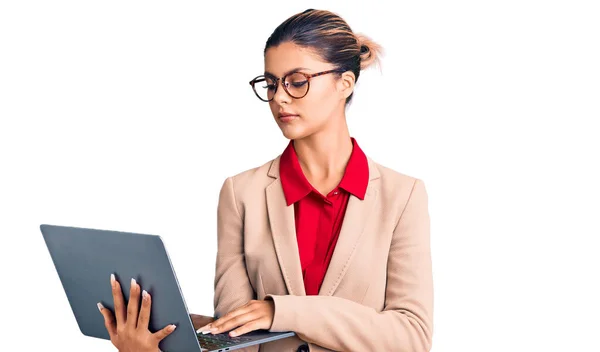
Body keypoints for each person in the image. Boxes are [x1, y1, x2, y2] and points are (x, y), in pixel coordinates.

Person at [97, 8, 434, 352]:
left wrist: (282, 311)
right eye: (271, 83)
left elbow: (412, 337)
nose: (280, 97)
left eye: (297, 82)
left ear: (344, 83)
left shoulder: (402, 195)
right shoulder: (241, 193)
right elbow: (235, 338)